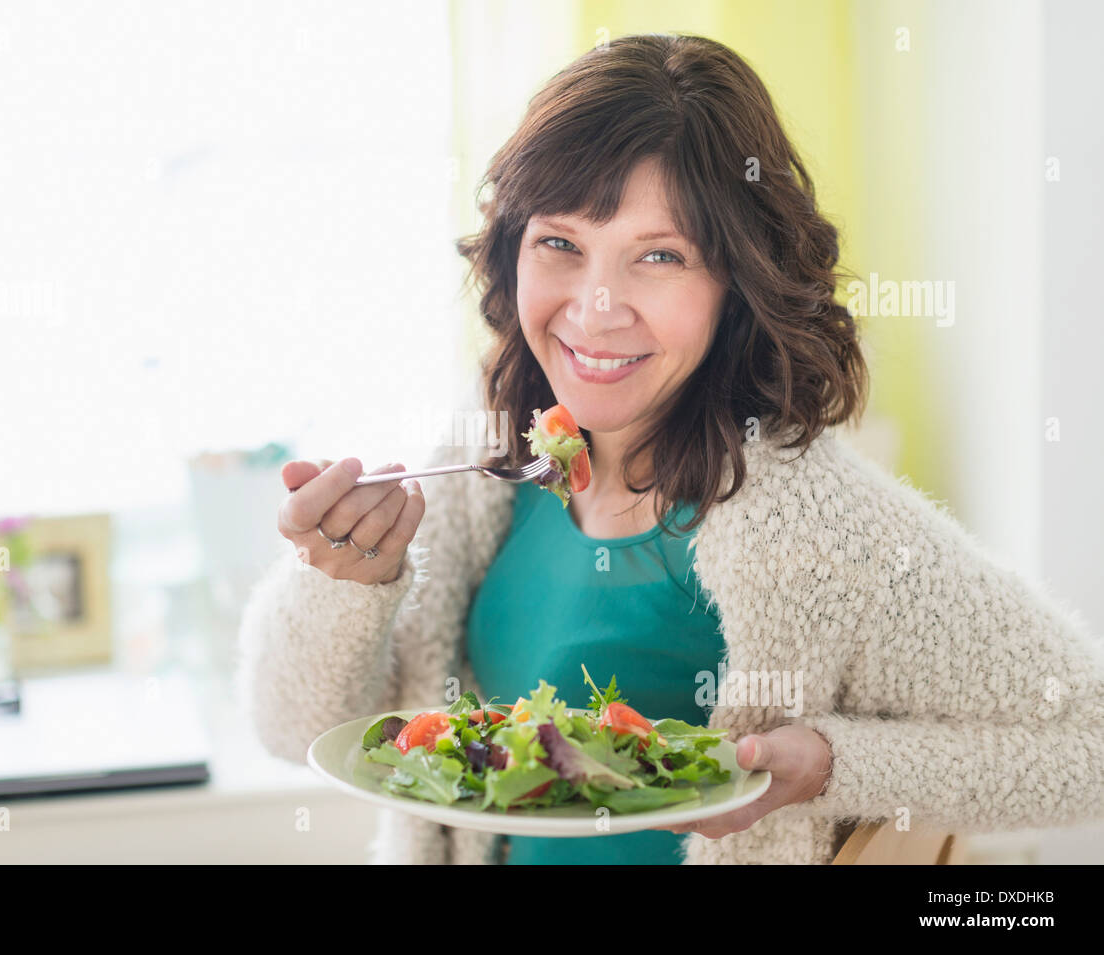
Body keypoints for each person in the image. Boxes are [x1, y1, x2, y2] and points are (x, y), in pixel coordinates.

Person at [238, 33, 1104, 864]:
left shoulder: (819, 522)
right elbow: (294, 730)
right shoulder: (490, 458)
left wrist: (835, 764)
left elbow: (1090, 745)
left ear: (740, 280)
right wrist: (344, 583)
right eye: (561, 245)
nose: (596, 307)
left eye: (659, 255)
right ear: (512, 252)